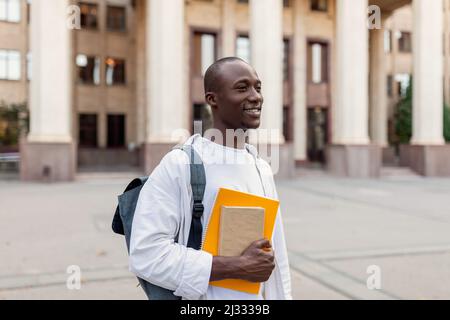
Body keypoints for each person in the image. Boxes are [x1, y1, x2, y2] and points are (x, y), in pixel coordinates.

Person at [129, 57, 292, 300]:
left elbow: (276, 260)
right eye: (241, 88)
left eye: (257, 87)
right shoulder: (181, 164)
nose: (256, 96)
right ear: (212, 99)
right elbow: (146, 253)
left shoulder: (261, 168)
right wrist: (236, 266)